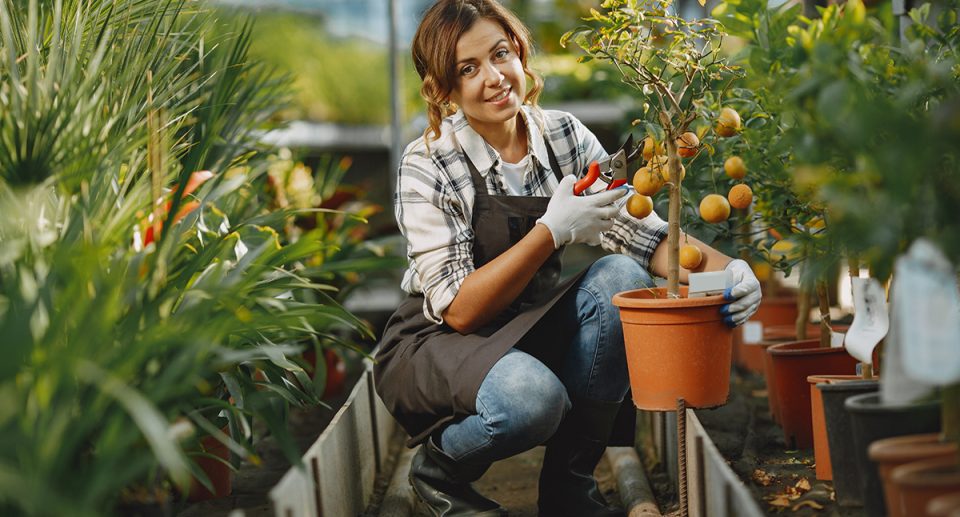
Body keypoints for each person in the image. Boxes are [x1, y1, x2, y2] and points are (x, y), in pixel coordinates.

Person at [373, 1, 762, 515]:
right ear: (444, 90)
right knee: (531, 400)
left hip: (526, 323)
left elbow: (645, 235)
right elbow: (461, 309)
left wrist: (729, 270)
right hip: (440, 339)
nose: (493, 77)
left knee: (619, 275)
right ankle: (439, 468)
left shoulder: (562, 137)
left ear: (520, 54)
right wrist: (551, 231)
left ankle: (568, 491)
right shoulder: (429, 161)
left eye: (500, 54)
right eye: (468, 69)